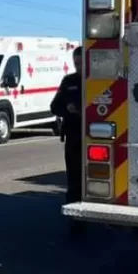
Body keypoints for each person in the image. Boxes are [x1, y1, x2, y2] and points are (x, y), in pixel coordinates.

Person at [50, 47, 84, 231]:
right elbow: (54, 106)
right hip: (73, 134)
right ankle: (75, 218)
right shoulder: (69, 81)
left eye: (82, 63)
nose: (79, 67)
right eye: (76, 63)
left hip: (97, 134)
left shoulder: (100, 80)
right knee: (74, 177)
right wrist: (67, 109)